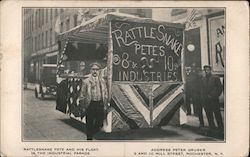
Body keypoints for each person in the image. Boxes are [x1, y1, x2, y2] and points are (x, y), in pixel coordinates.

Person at [79, 62, 108, 140]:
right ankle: (89, 139)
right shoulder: (86, 81)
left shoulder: (102, 81)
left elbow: (105, 93)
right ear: (90, 70)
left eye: (97, 70)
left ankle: (92, 132)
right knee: (89, 123)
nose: (95, 71)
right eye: (93, 69)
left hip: (99, 104)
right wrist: (83, 107)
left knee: (99, 123)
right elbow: (82, 95)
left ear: (99, 71)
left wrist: (105, 105)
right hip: (90, 104)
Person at [202, 65, 223, 130]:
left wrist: (215, 95)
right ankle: (212, 126)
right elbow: (202, 89)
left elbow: (220, 88)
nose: (206, 71)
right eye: (205, 70)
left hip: (214, 99)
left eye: (207, 70)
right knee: (208, 113)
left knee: (217, 113)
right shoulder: (203, 79)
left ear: (210, 70)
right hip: (206, 99)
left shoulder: (215, 78)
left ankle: (220, 127)